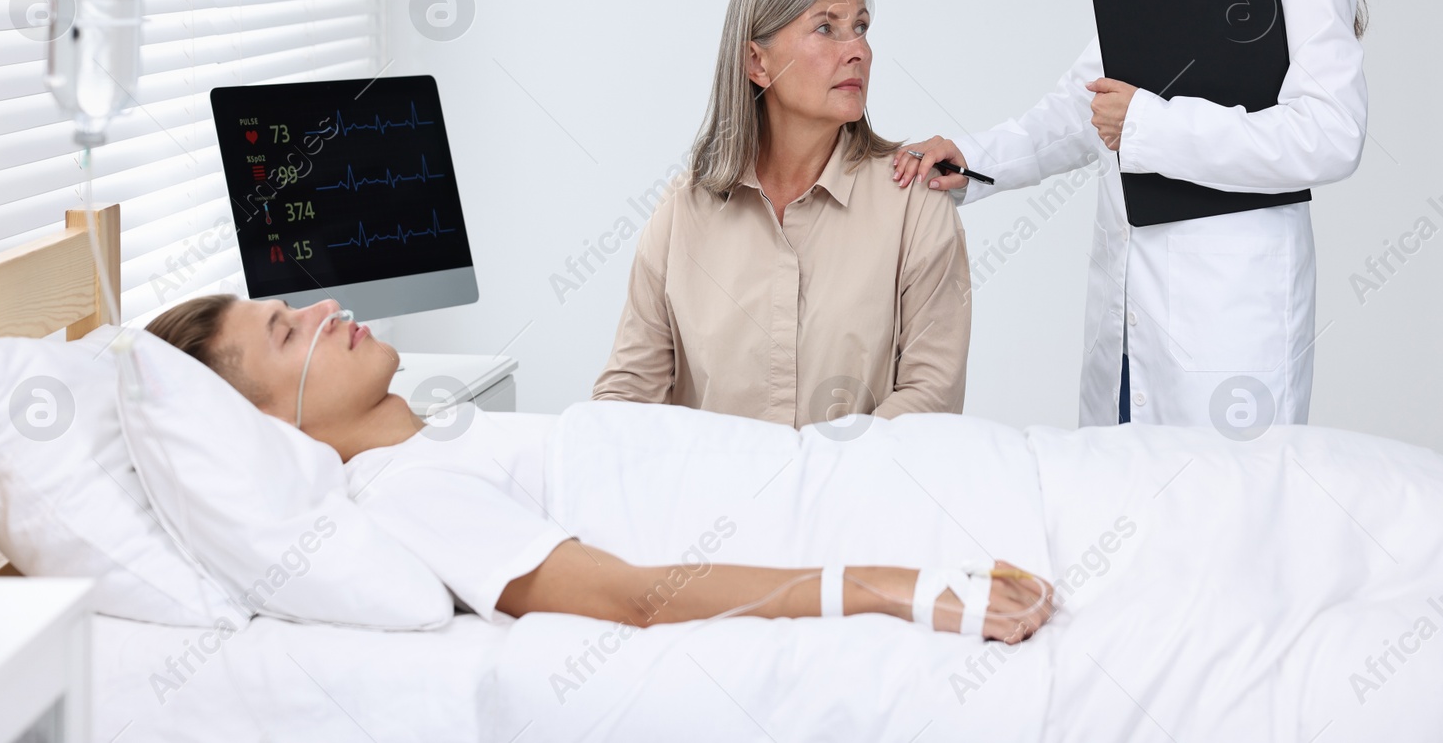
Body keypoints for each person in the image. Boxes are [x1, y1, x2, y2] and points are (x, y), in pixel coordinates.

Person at [894, 0, 1366, 429]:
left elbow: (1331, 135)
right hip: (1126, 317)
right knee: (1120, 512)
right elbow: (1084, 107)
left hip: (1229, 320)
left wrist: (1150, 125)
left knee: (1219, 521)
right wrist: (975, 160)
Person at [146, 293, 1053, 641]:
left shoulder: (431, 440)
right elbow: (635, 596)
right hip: (831, 518)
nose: (324, 307)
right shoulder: (402, 493)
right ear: (265, 423)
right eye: (286, 332)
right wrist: (894, 586)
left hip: (843, 471)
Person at [593, 0, 971, 427]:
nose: (858, 49)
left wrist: (808, 479)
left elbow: (931, 395)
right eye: (825, 28)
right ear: (757, 62)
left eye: (861, 27)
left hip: (855, 496)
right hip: (712, 498)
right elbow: (627, 392)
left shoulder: (914, 201)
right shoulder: (684, 210)